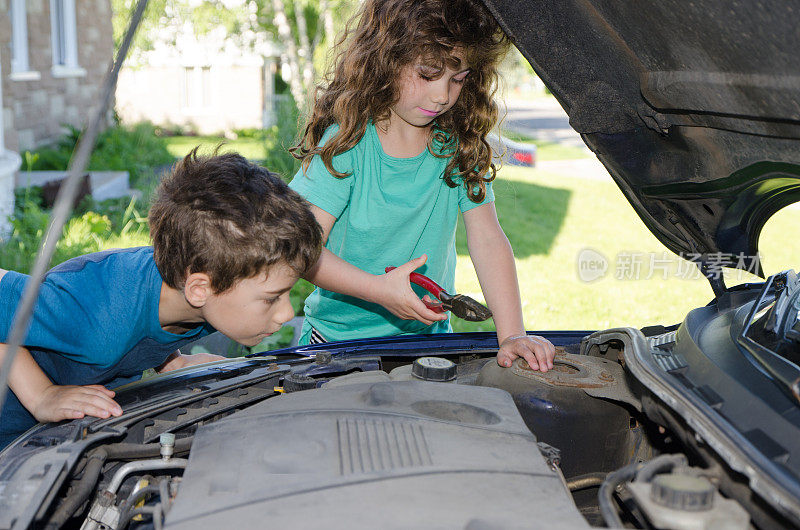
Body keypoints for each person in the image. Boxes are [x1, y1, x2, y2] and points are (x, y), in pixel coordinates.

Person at [289, 0, 555, 371]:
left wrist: (511, 335)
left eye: (457, 80)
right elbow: (299, 249)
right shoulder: (345, 144)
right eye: (428, 74)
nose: (442, 96)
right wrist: (377, 291)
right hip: (338, 346)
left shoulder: (458, 147)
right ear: (386, 60)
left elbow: (488, 238)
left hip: (429, 343)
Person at [0, 150, 322, 448]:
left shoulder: (197, 295)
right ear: (199, 289)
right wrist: (41, 395)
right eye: (271, 299)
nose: (285, 313)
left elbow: (147, 323)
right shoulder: (95, 317)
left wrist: (174, 361)